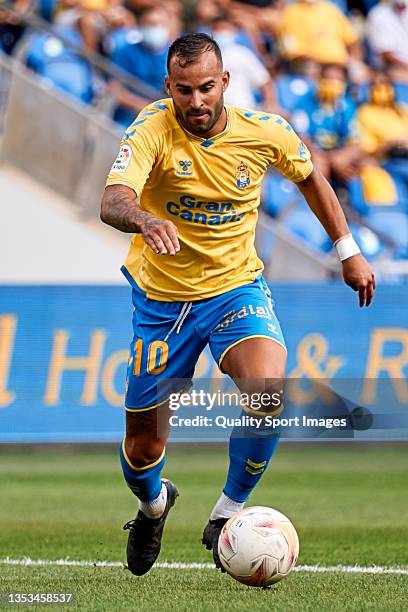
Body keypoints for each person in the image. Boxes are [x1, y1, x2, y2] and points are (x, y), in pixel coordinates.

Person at [100, 33, 375, 577]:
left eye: (206, 87)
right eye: (184, 90)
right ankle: (154, 505)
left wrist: (348, 250)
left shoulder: (265, 132)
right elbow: (113, 199)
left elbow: (312, 179)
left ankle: (227, 513)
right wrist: (146, 219)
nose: (196, 101)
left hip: (234, 289)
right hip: (164, 303)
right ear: (168, 87)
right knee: (141, 445)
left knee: (267, 392)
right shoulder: (153, 127)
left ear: (225, 81)